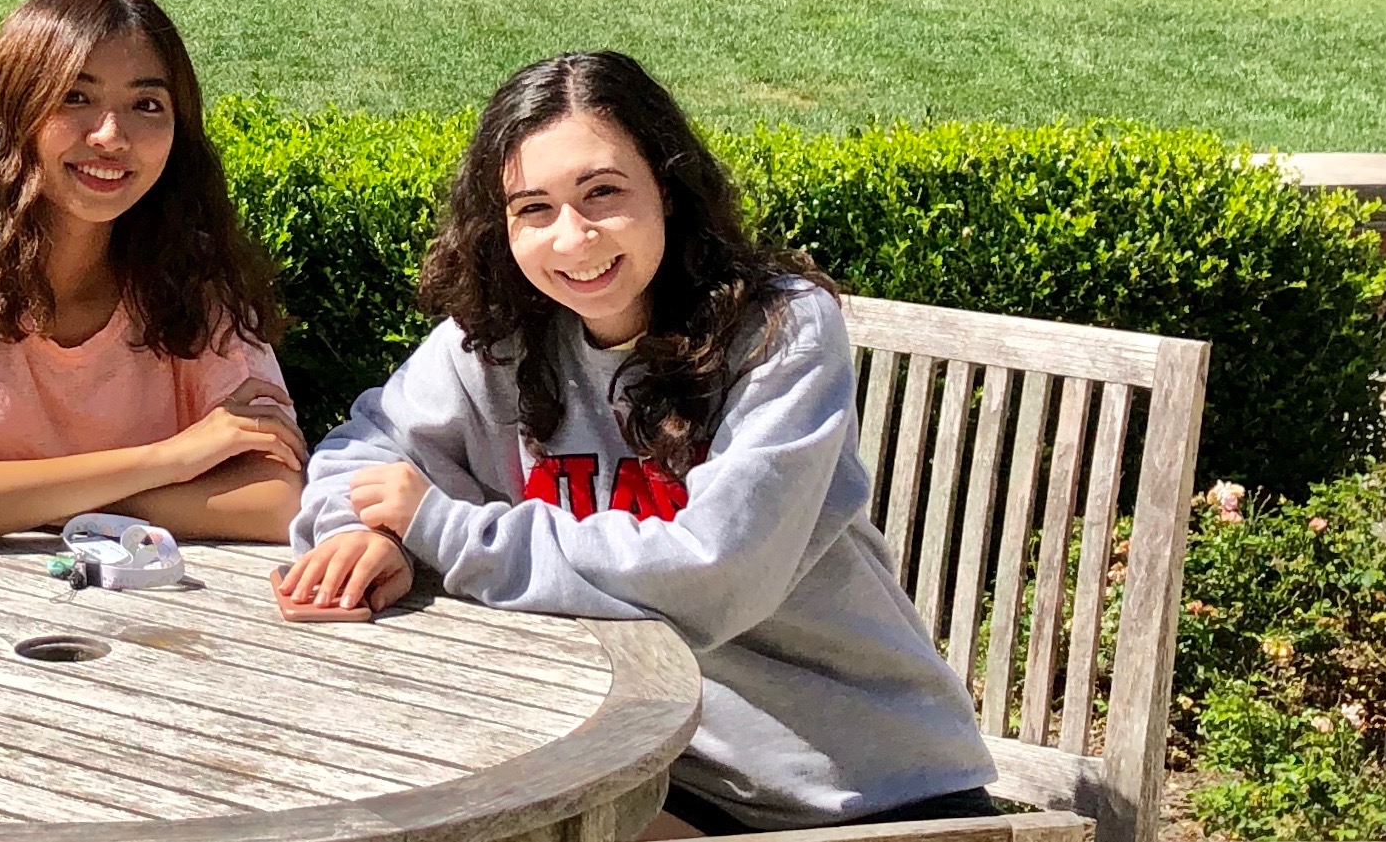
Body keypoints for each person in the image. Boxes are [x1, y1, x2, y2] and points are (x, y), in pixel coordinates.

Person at [277, 52, 998, 835]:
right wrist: (369, 532)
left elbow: (714, 570)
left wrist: (443, 530)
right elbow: (368, 447)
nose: (572, 237)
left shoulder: (777, 333)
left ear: (668, 187)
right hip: (644, 768)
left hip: (858, 796)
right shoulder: (499, 338)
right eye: (533, 208)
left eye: (602, 194)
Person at [0, 0, 305, 551]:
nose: (112, 136)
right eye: (75, 98)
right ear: (15, 111)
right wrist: (170, 459)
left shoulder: (195, 280)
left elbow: (278, 499)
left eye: (147, 105)